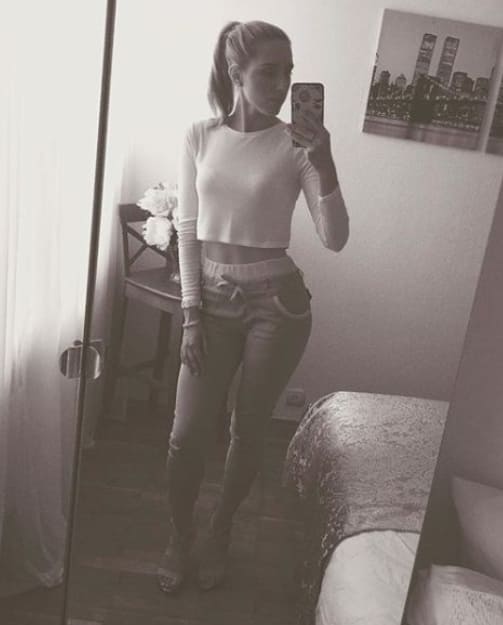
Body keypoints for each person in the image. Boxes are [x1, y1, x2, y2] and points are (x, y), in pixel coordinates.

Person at [158, 19, 349, 593]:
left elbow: (334, 238)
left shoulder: (297, 144)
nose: (282, 84)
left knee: (248, 430)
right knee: (186, 436)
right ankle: (179, 535)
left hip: (278, 306)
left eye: (289, 72)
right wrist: (192, 314)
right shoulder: (199, 135)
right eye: (269, 72)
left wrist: (326, 163)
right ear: (235, 72)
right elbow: (188, 230)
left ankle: (219, 532)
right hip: (210, 302)